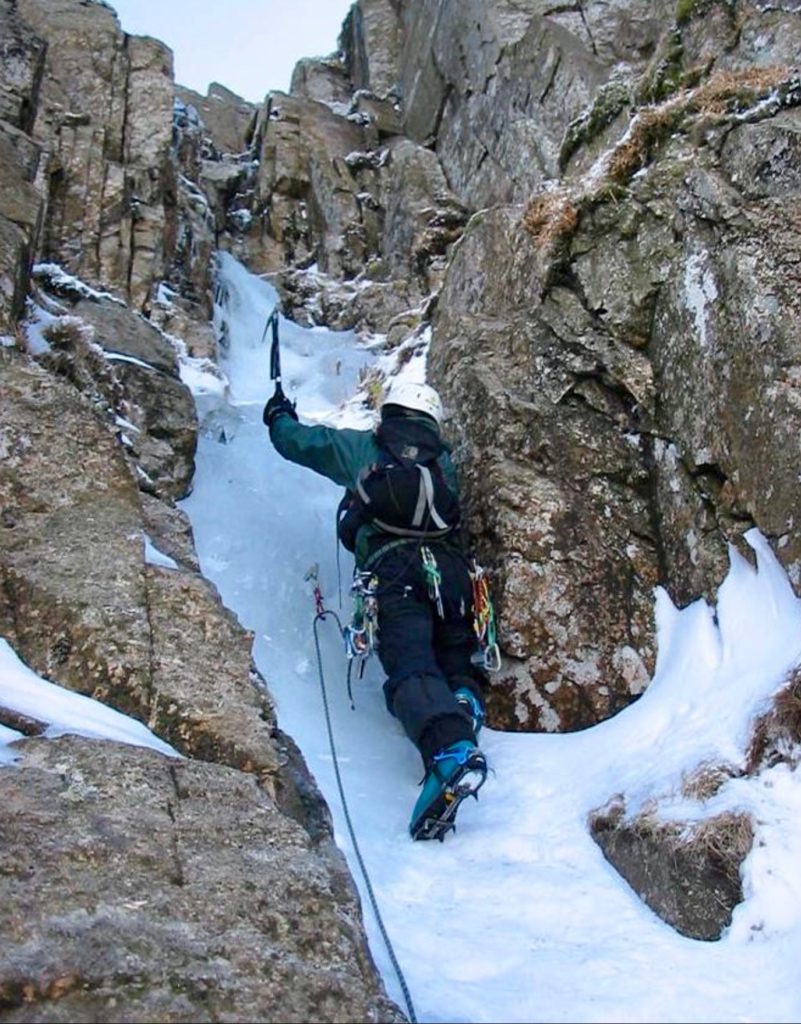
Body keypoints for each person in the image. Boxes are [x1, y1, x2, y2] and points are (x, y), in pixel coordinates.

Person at [264, 378, 489, 841]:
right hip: (451, 574)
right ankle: (464, 706)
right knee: (453, 653)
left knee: (411, 664)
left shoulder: (362, 447)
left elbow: (297, 443)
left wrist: (279, 415)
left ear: (388, 411)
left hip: (394, 571)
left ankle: (448, 748)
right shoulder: (442, 460)